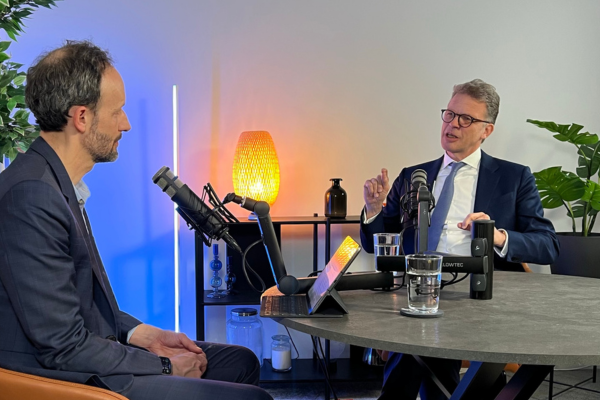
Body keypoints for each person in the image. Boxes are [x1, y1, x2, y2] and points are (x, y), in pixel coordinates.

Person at [0, 41, 272, 400]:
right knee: (252, 398)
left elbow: (81, 305)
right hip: (65, 379)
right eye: (117, 112)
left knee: (240, 362)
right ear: (81, 118)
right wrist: (165, 366)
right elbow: (63, 346)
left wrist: (143, 333)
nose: (125, 125)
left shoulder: (58, 183)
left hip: (82, 352)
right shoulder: (32, 195)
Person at [360, 79, 559, 400]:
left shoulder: (513, 177)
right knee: (418, 344)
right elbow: (376, 243)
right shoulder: (414, 175)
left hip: (481, 298)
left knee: (419, 352)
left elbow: (548, 244)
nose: (453, 124)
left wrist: (496, 236)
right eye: (449, 114)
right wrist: (372, 209)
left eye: (466, 118)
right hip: (419, 294)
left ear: (486, 130)